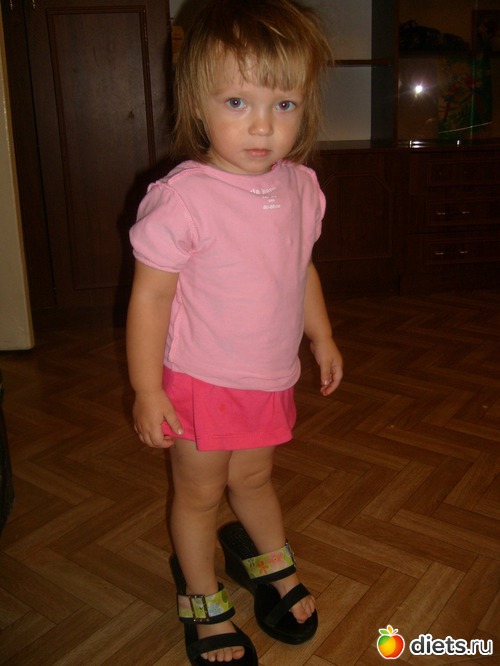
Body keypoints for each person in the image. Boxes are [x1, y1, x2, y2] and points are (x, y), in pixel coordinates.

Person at [126, 0, 343, 663]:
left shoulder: (301, 188)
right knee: (199, 492)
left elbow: (300, 267)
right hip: (201, 381)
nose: (262, 125)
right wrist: (147, 390)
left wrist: (321, 336)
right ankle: (201, 594)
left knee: (254, 477)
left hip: (268, 376)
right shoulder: (184, 198)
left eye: (284, 104)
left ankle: (268, 558)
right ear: (199, 104)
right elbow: (150, 297)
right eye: (237, 101)